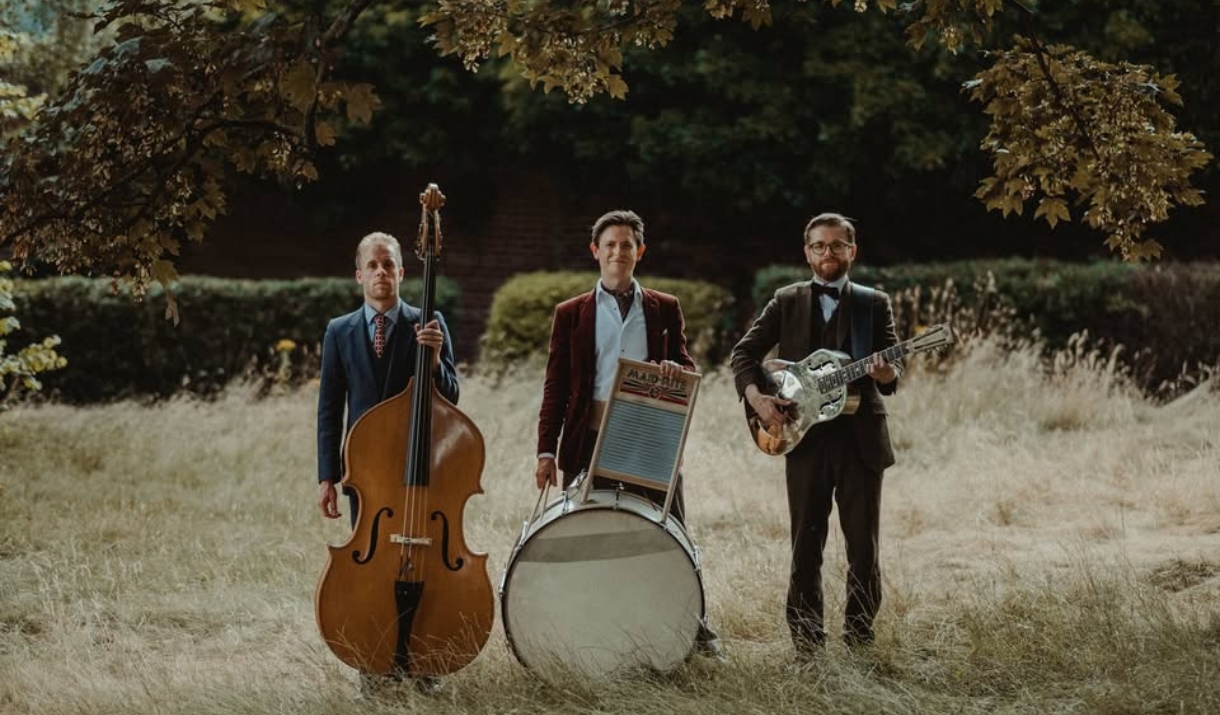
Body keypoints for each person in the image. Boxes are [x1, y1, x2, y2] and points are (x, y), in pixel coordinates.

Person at [534, 209, 724, 660]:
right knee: (590, 535)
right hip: (589, 442)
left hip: (650, 438)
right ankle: (588, 631)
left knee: (669, 531)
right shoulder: (570, 314)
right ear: (595, 252)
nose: (618, 252)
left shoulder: (664, 307)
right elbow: (556, 387)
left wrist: (678, 369)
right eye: (610, 244)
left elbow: (686, 364)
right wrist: (545, 450)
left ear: (639, 252)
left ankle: (691, 626)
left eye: (627, 245)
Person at [730, 213, 901, 661]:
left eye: (838, 245)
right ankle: (807, 645)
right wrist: (759, 399)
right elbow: (745, 354)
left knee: (863, 546)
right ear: (807, 253)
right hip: (802, 437)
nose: (829, 253)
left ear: (852, 251)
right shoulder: (786, 301)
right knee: (806, 543)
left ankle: (861, 640)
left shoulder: (873, 302)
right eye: (820, 246)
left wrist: (886, 370)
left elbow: (890, 373)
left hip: (861, 438)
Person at [316, 230, 459, 695]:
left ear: (403, 271)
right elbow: (329, 408)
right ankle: (374, 664)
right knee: (372, 569)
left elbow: (453, 398)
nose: (382, 272)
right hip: (367, 476)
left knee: (425, 563)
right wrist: (327, 477)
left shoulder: (428, 321)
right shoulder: (339, 331)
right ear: (359, 274)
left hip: (421, 472)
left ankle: (425, 661)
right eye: (373, 265)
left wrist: (434, 361)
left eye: (390, 264)